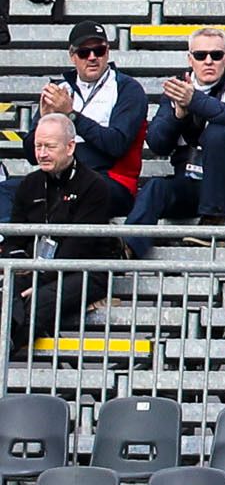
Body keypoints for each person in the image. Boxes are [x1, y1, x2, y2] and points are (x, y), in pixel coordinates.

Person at [3, 114, 132, 357]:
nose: (41, 154)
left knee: (38, 303)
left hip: (85, 269)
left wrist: (38, 279)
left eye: (50, 147)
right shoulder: (29, 184)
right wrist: (21, 267)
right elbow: (14, 238)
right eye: (38, 146)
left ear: (70, 146)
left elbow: (79, 245)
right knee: (7, 293)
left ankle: (4, 354)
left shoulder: (94, 185)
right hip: (35, 267)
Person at [127, 30, 225, 229]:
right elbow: (156, 144)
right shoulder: (178, 88)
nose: (208, 61)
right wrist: (178, 115)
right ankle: (127, 247)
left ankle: (212, 222)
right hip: (190, 181)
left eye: (216, 55)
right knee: (155, 187)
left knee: (218, 132)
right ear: (190, 59)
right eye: (200, 55)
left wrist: (194, 101)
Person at [40, 24, 149, 200]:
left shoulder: (128, 88)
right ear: (72, 56)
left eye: (99, 50)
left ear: (107, 52)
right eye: (84, 53)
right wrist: (43, 123)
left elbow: (116, 144)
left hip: (111, 180)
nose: (92, 57)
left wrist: (71, 115)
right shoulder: (60, 90)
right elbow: (31, 154)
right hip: (60, 177)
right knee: (6, 191)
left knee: (73, 193)